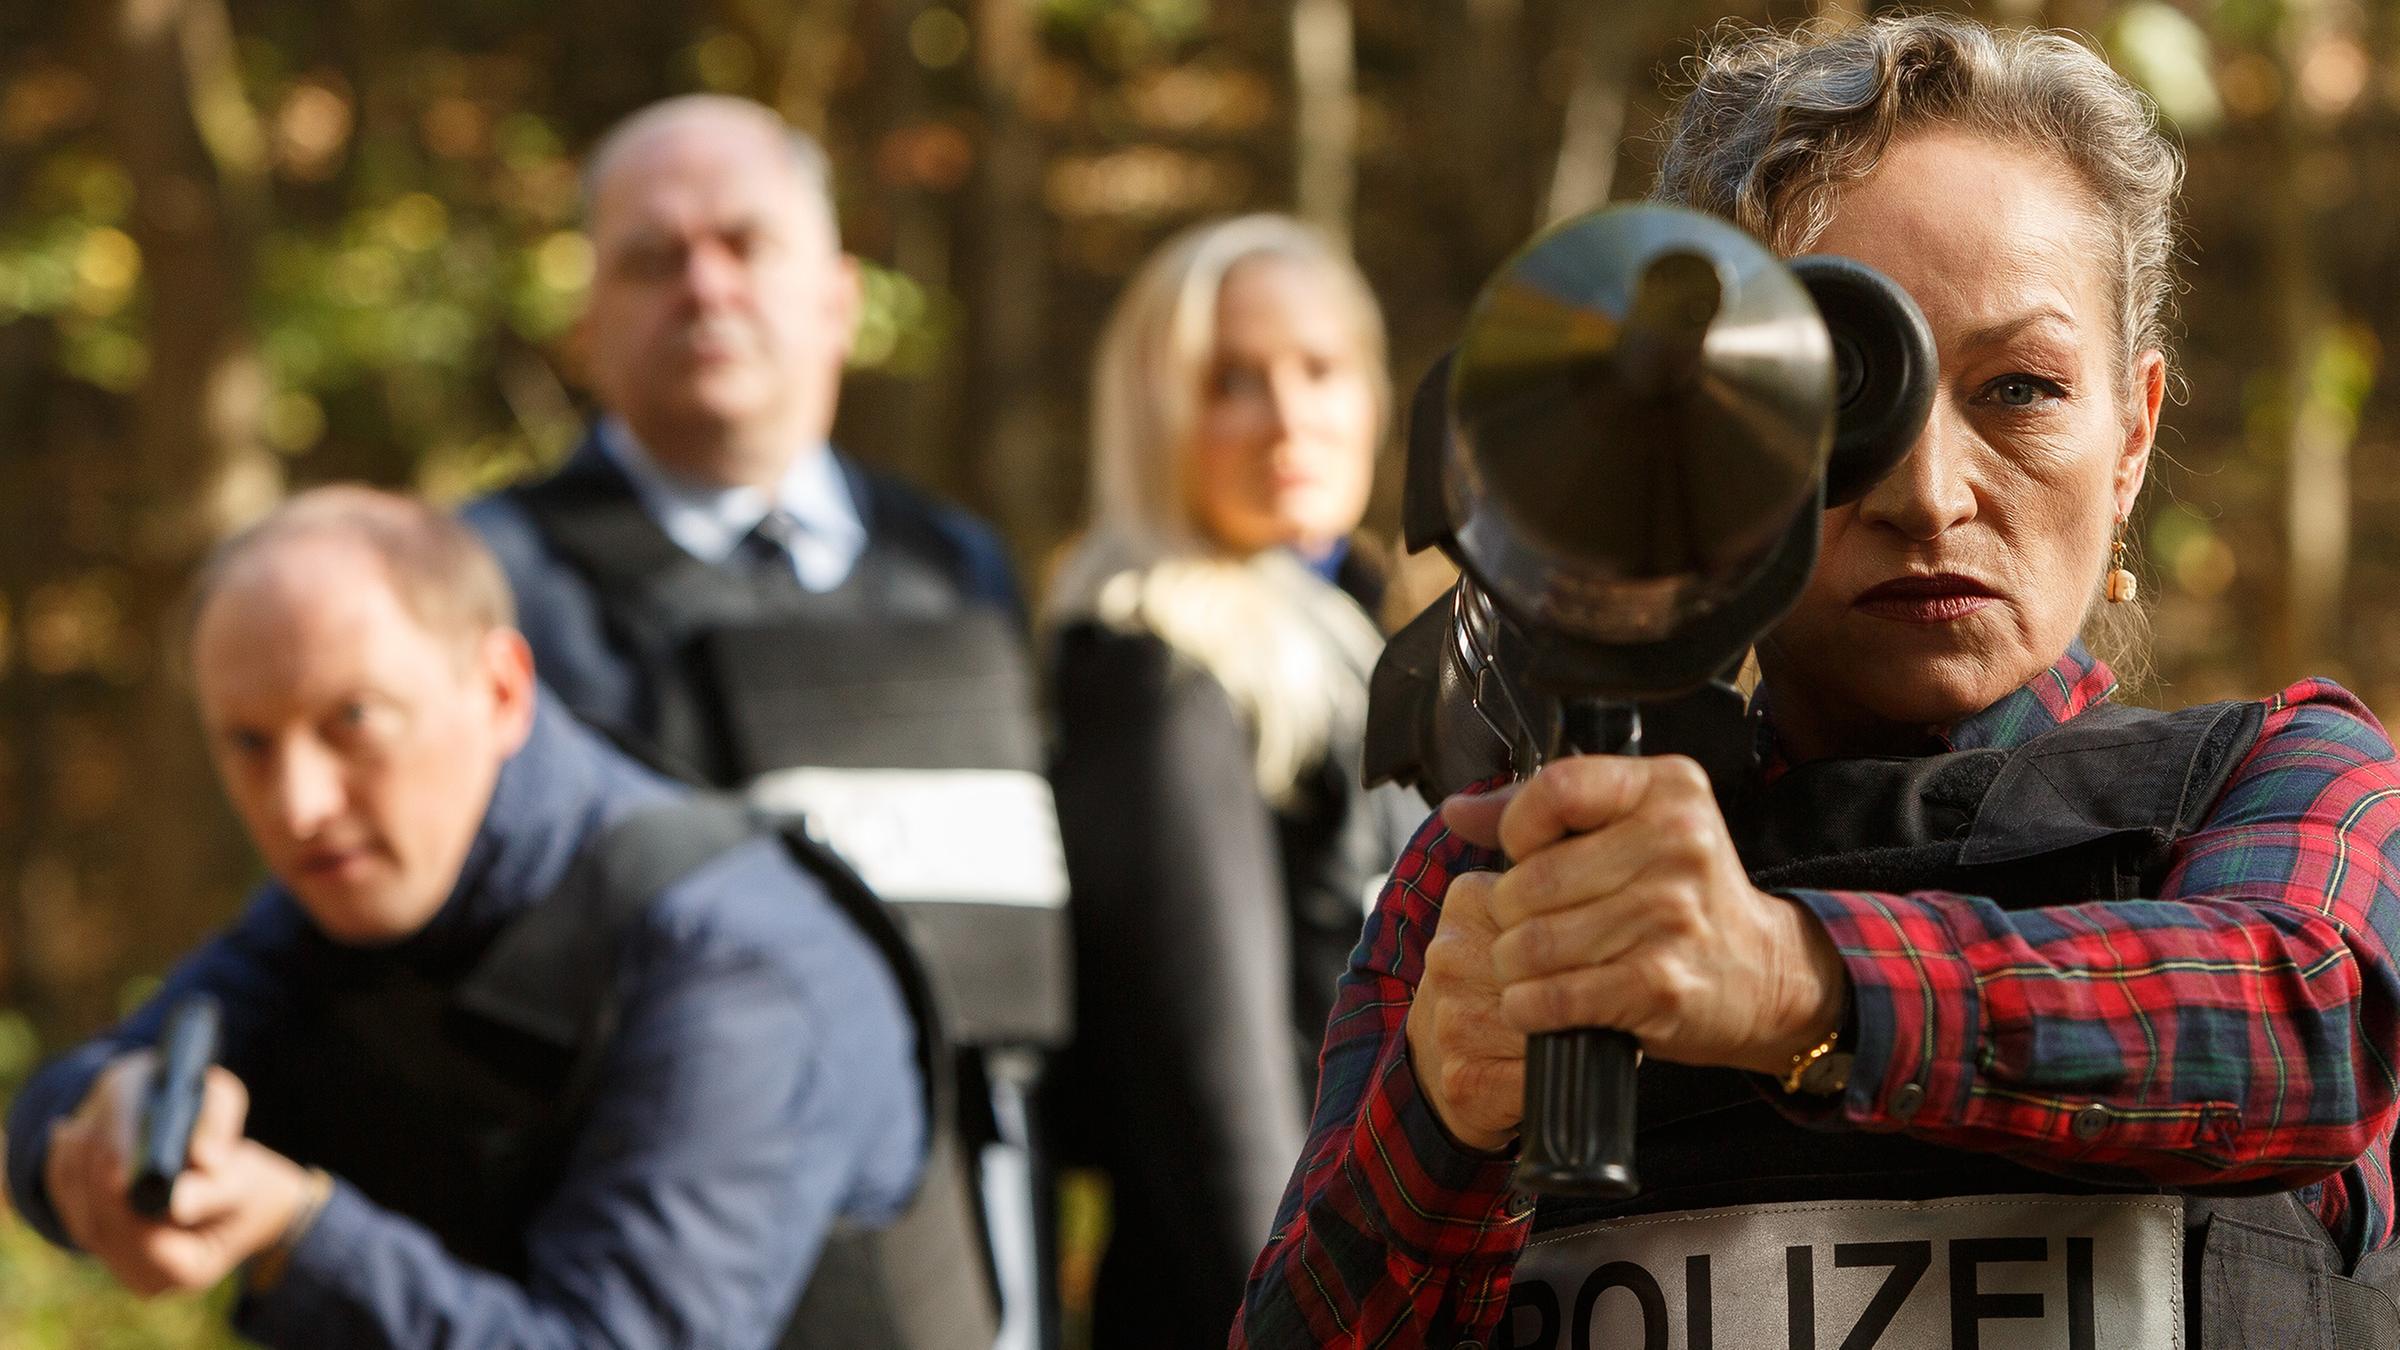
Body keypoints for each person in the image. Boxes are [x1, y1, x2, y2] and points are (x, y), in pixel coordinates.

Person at [1235, 16, 2400, 1350]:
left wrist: (1793, 984)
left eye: (2021, 389)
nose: (1930, 494)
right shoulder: (1511, 873)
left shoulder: (2280, 781)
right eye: (1842, 401)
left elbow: (2316, 1028)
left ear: (2131, 436)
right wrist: (1440, 1124)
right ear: (1694, 436)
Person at [4, 487, 924, 1347]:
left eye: (354, 720)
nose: (298, 805)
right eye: (249, 743)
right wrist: (101, 1134)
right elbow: (73, 1101)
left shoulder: (730, 962)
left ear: (500, 692)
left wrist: (299, 1233)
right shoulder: (357, 887)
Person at [1045, 214, 1422, 1349]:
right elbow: (1216, 1092)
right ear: (1154, 412)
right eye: (1231, 382)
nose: (1289, 417)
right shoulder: (1156, 671)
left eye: (1321, 369)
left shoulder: (1361, 631)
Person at [462, 93, 1021, 784]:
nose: (705, 287)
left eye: (748, 245)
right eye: (652, 259)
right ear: (588, 327)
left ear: (840, 302)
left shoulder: (957, 566)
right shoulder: (485, 581)